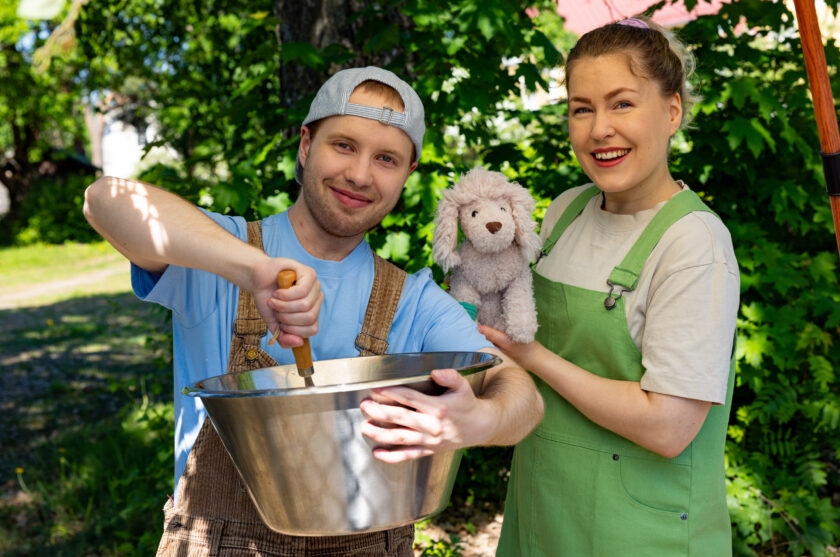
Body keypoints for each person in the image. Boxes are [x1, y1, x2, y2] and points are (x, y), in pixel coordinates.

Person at [83, 66, 544, 556]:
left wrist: (482, 420)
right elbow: (105, 200)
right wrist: (252, 270)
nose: (360, 175)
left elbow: (522, 393)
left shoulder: (414, 301)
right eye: (343, 145)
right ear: (306, 145)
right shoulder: (218, 251)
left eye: (386, 159)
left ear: (407, 176)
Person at [480, 18, 740, 556]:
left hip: (642, 534)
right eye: (582, 108)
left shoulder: (693, 245)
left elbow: (668, 426)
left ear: (672, 112)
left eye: (622, 104)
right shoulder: (564, 213)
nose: (599, 129)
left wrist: (531, 356)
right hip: (543, 511)